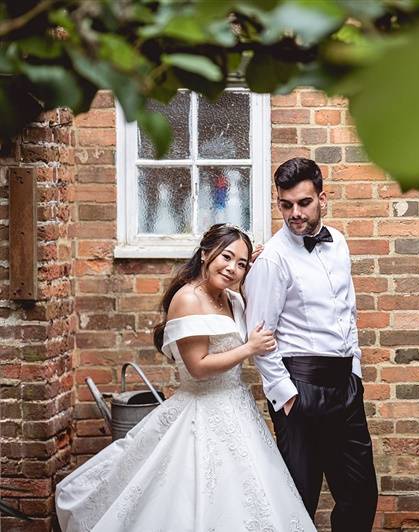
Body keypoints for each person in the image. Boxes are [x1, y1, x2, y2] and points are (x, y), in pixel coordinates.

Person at [56, 223, 316, 532]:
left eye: (242, 264)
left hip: (237, 406)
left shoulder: (232, 299)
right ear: (206, 254)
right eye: (227, 257)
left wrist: (255, 271)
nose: (233, 268)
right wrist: (249, 348)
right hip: (201, 408)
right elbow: (198, 366)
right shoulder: (188, 299)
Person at [245, 158, 378, 531]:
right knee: (299, 498)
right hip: (299, 388)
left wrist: (356, 372)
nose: (294, 214)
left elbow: (347, 311)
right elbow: (259, 334)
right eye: (285, 205)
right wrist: (286, 396)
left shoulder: (339, 243)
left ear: (323, 198)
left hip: (345, 386)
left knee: (360, 492)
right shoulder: (271, 259)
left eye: (303, 203)